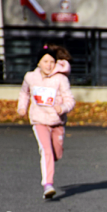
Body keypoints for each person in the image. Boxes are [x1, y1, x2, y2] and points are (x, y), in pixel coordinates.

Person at [17, 43, 76, 199]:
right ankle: (47, 185)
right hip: (39, 119)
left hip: (57, 122)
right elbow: (24, 93)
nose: (49, 65)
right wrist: (22, 107)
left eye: (51, 62)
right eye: (45, 61)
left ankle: (51, 158)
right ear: (38, 63)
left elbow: (70, 100)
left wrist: (62, 107)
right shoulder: (30, 77)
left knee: (56, 152)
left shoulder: (60, 79)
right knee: (46, 151)